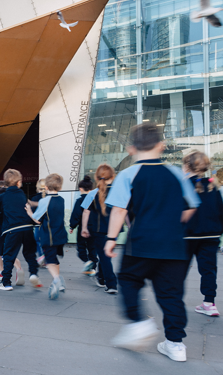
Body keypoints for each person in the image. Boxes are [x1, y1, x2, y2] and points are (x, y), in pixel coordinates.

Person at [105, 122, 200, 362]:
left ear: (131, 149)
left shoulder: (128, 174)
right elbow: (190, 208)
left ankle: (138, 323)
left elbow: (118, 211)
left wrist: (110, 239)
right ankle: (176, 344)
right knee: (171, 294)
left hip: (141, 242)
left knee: (128, 279)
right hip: (174, 245)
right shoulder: (177, 173)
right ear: (161, 145)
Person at [182, 151, 223, 317]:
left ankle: (174, 300)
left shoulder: (184, 185)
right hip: (211, 236)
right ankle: (209, 303)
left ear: (187, 166)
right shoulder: (214, 186)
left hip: (188, 235)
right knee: (209, 270)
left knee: (179, 268)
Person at [0, 169, 40, 291]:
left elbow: (0, 210)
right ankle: (33, 274)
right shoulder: (22, 194)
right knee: (29, 253)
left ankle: (6, 282)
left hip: (12, 229)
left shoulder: (2, 197)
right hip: (27, 227)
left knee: (9, 255)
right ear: (18, 183)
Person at [26, 173, 68, 300]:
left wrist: (29, 211)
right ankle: (59, 282)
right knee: (54, 258)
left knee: (49, 261)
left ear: (46, 186)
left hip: (49, 236)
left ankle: (56, 280)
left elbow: (37, 220)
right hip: (60, 234)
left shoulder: (45, 200)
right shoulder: (61, 199)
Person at [81, 164, 118, 294]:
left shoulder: (92, 193)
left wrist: (84, 228)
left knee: (104, 257)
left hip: (98, 230)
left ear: (96, 178)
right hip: (114, 229)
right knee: (106, 256)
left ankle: (111, 283)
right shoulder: (118, 192)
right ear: (113, 176)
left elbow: (86, 212)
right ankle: (102, 278)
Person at [69, 176, 96, 276]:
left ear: (80, 189)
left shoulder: (80, 200)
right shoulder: (95, 200)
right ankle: (92, 267)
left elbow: (76, 214)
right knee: (93, 248)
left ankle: (87, 262)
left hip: (83, 228)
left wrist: (72, 226)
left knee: (81, 247)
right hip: (94, 227)